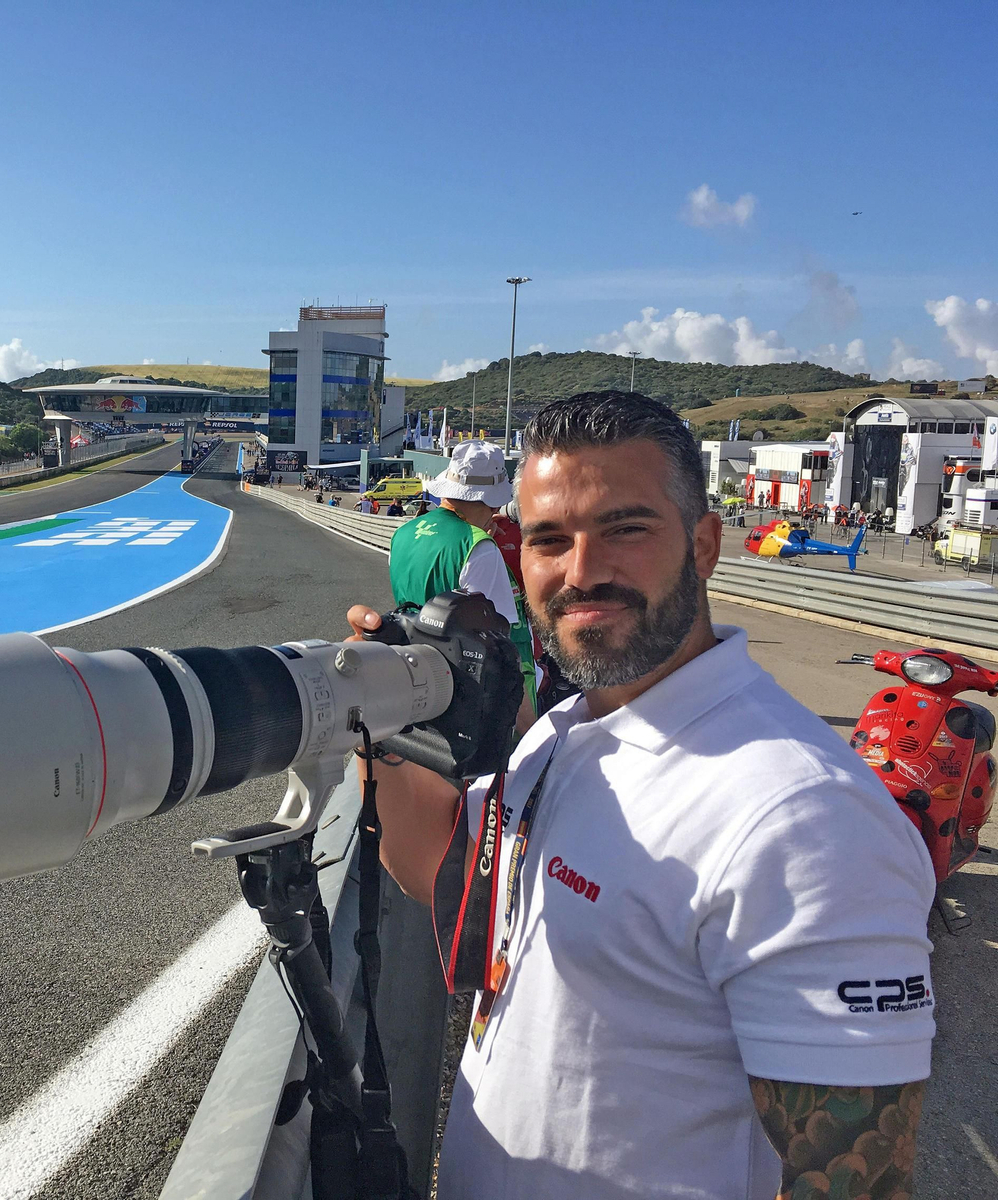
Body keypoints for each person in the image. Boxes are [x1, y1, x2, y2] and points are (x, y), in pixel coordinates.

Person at [350, 392, 932, 1200]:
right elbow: (439, 866)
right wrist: (376, 713)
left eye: (625, 529)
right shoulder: (569, 731)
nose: (582, 572)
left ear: (704, 545)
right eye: (551, 539)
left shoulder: (804, 816)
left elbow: (859, 1182)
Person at [388, 440, 536, 727]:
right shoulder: (479, 546)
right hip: (475, 696)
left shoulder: (403, 534)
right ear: (492, 499)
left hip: (418, 678)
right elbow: (501, 650)